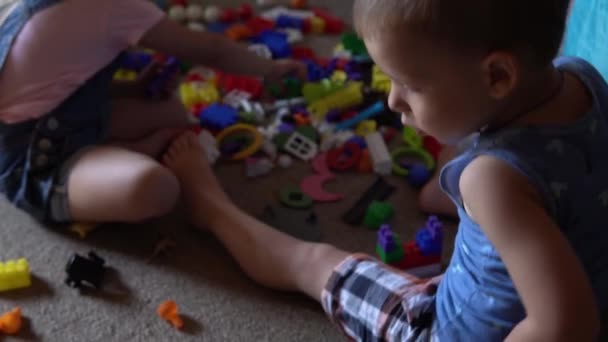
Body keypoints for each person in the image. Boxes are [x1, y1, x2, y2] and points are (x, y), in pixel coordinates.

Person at [162, 0, 608, 340]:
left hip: (446, 330)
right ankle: (443, 195)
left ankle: (211, 207)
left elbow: (566, 324)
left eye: (410, 85)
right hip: (580, 275)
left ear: (497, 76)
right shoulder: (582, 76)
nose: (393, 101)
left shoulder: (493, 178)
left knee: (315, 262)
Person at [0, 0, 304, 224]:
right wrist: (271, 69)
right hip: (30, 162)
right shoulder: (115, 7)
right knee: (155, 188)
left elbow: (59, 86)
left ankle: (117, 151)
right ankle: (129, 153)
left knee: (171, 112)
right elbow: (212, 50)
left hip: (60, 119)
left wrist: (132, 88)